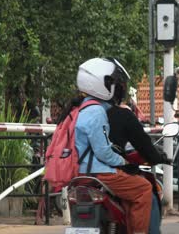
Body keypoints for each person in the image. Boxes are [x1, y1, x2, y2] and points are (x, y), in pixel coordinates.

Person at [66, 57, 152, 234]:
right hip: (100, 172)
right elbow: (103, 151)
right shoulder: (97, 111)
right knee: (143, 188)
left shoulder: (78, 108)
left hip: (78, 173)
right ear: (102, 84)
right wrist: (123, 162)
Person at [103, 62, 171, 234]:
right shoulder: (121, 114)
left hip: (80, 174)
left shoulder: (80, 111)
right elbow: (144, 145)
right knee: (145, 189)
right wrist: (157, 157)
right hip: (108, 173)